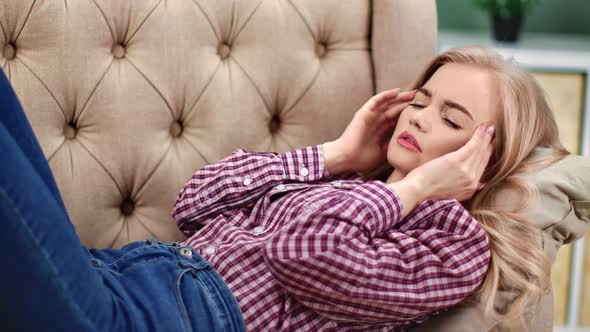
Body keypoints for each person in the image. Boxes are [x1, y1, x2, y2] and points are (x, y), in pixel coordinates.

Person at [0, 45, 568, 332]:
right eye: (420, 101)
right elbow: (193, 201)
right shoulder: (348, 180)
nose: (418, 118)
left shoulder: (450, 244)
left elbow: (303, 252)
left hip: (159, 320)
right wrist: (335, 154)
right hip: (116, 272)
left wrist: (415, 188)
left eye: (451, 120)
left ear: (489, 158)